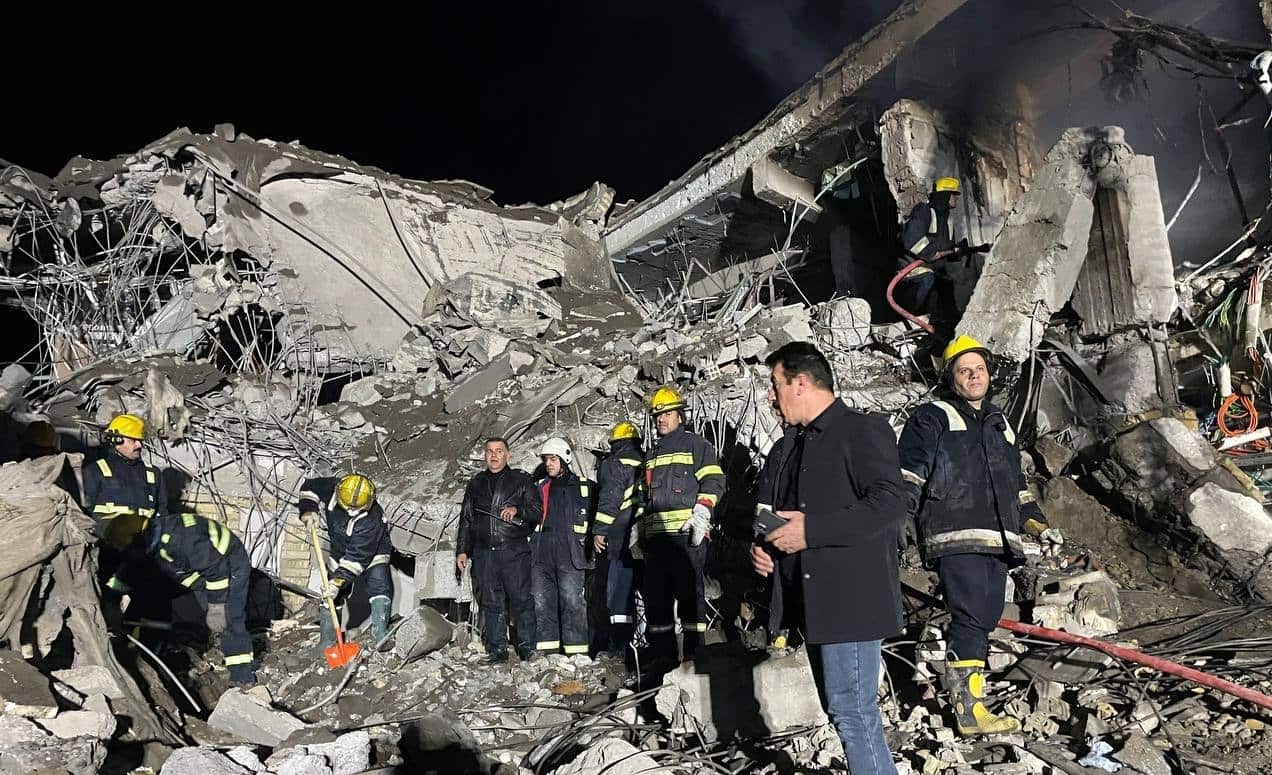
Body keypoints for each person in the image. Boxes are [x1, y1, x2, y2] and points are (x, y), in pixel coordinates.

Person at [751, 342, 906, 774]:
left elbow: (891, 504)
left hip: (851, 602)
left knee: (854, 715)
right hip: (814, 605)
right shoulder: (793, 447)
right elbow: (778, 515)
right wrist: (763, 547)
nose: (770, 396)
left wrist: (810, 531)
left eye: (774, 385)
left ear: (800, 383)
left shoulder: (860, 430)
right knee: (843, 711)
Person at [897, 334, 1064, 736]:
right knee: (972, 615)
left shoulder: (1000, 422)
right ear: (950, 377)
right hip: (955, 532)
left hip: (1000, 537)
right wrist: (900, 519)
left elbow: (1016, 484)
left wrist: (1036, 522)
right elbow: (909, 473)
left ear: (989, 374)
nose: (974, 376)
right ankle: (969, 711)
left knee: (984, 617)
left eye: (979, 369)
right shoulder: (932, 416)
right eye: (964, 370)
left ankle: (969, 700)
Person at [106, 511, 256, 685]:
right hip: (197, 570)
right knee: (149, 592)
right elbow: (127, 572)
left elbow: (217, 570)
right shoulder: (149, 542)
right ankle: (161, 651)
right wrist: (110, 601)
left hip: (229, 563)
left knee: (230, 618)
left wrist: (217, 606)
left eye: (129, 550)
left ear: (139, 539)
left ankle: (242, 678)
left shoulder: (180, 539)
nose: (130, 555)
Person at [640, 386, 724, 666]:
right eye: (657, 416)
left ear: (680, 415)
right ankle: (662, 658)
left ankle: (694, 656)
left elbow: (714, 481)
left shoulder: (696, 445)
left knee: (691, 599)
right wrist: (638, 531)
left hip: (687, 536)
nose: (661, 420)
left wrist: (702, 512)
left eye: (666, 414)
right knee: (656, 601)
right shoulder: (651, 453)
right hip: (656, 541)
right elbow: (647, 495)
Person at [456, 437, 541, 664]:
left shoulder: (521, 480)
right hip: (485, 553)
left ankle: (527, 648)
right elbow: (466, 519)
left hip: (513, 551)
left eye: (499, 451)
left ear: (507, 455)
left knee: (521, 599)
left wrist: (517, 509)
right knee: (491, 602)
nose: (494, 455)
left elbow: (536, 511)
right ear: (485, 455)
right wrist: (462, 550)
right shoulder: (475, 483)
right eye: (489, 451)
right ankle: (497, 650)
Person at [297, 473, 394, 646]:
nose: (352, 511)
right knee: (330, 595)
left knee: (378, 583)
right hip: (339, 549)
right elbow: (309, 489)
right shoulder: (330, 487)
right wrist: (308, 510)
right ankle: (327, 641)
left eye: (358, 508)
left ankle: (380, 635)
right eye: (348, 506)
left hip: (372, 552)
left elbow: (356, 559)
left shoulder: (372, 521)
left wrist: (337, 582)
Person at [894, 177, 989, 329]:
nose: (956, 198)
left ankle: (948, 326)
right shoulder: (924, 211)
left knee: (946, 284)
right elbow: (911, 240)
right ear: (944, 195)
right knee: (927, 279)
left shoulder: (946, 221)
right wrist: (932, 254)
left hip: (931, 267)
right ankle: (912, 319)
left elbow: (945, 250)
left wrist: (957, 252)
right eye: (953, 194)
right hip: (911, 267)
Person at [531, 437, 594, 656]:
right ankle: (547, 652)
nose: (548, 463)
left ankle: (576, 653)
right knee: (541, 602)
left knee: (572, 602)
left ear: (565, 459)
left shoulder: (584, 487)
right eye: (546, 459)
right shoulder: (539, 487)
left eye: (553, 459)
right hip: (542, 554)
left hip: (571, 553)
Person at [591, 421, 645, 659]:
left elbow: (610, 498)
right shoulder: (646, 461)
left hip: (620, 537)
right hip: (644, 535)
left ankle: (618, 645)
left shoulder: (614, 464)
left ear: (615, 443)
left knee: (618, 591)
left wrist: (600, 529)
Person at [84, 413, 166, 559]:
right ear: (117, 440)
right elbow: (83, 515)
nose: (139, 445)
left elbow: (162, 514)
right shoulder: (95, 471)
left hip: (143, 551)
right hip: (106, 550)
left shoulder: (153, 473)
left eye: (140, 441)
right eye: (133, 440)